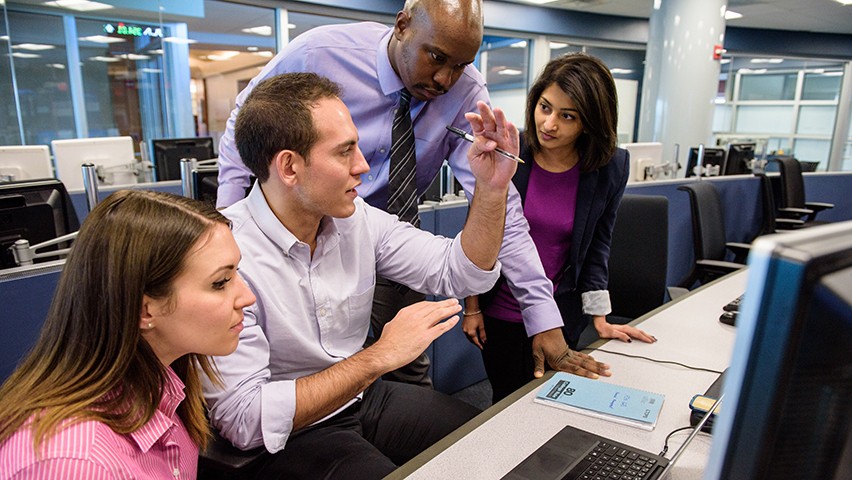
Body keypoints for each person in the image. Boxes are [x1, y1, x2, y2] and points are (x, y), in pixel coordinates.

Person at [214, 0, 610, 387]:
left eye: (460, 64)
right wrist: (229, 229)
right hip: (303, 246)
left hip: (387, 240)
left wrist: (541, 313)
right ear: (402, 25)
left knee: (406, 375)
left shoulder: (466, 91)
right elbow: (245, 125)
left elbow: (500, 203)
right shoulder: (320, 53)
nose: (445, 80)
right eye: (436, 57)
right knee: (305, 373)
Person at [203, 71, 524, 479]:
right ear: (289, 166)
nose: (364, 166)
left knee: (494, 438)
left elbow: (461, 273)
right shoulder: (226, 254)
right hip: (292, 433)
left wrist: (491, 189)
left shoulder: (356, 220)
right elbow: (244, 420)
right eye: (344, 152)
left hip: (360, 397)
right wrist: (378, 357)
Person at [0, 190, 256, 478]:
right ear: (145, 311)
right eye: (220, 282)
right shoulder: (74, 464)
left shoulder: (162, 391)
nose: (247, 296)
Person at [463, 53, 657, 403]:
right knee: (506, 405)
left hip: (562, 312)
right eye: (545, 107)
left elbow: (599, 243)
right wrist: (472, 306)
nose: (549, 124)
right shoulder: (510, 151)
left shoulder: (611, 166)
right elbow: (479, 230)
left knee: (554, 403)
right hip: (502, 310)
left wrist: (599, 316)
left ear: (590, 122)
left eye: (567, 116)